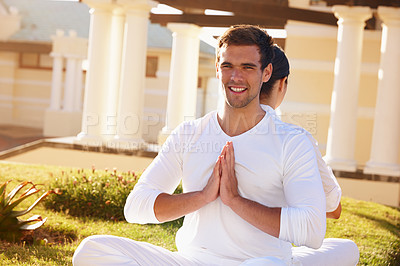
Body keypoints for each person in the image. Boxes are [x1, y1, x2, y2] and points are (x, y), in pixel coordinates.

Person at [73, 25, 356, 265]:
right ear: (217, 68)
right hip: (192, 260)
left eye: (248, 67)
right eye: (228, 66)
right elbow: (136, 207)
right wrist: (203, 196)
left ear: (266, 72)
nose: (236, 77)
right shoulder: (189, 133)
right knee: (93, 250)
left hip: (258, 262)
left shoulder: (293, 142)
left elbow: (312, 229)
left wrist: (235, 200)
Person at [259, 44, 359, 264]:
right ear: (282, 83)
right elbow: (333, 208)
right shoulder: (296, 139)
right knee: (348, 248)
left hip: (206, 253)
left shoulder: (205, 131)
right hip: (271, 257)